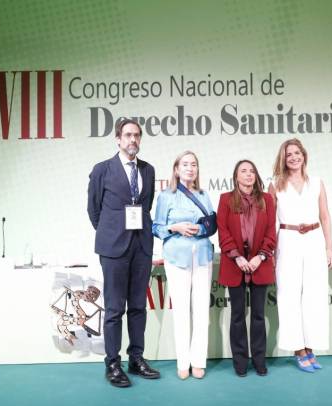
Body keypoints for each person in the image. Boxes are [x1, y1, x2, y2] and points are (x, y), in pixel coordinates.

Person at [87, 119, 160, 388]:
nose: (133, 140)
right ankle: (113, 363)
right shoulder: (102, 170)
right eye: (128, 135)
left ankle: (136, 358)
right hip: (114, 248)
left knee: (138, 306)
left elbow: (145, 205)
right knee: (115, 308)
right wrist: (111, 232)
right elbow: (93, 209)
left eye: (137, 135)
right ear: (118, 139)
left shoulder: (148, 170)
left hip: (141, 246)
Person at [269, 139, 332, 372]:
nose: (294, 157)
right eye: (289, 154)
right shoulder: (275, 185)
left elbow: (325, 216)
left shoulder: (316, 182)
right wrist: (271, 252)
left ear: (304, 155)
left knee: (314, 296)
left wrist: (329, 248)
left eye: (297, 153)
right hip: (287, 241)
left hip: (314, 240)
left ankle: (310, 348)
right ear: (283, 159)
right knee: (289, 296)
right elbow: (269, 221)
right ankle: (298, 349)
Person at [152, 151, 215, 380]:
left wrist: (201, 229)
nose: (190, 168)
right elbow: (156, 227)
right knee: (181, 311)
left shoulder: (204, 195)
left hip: (202, 256)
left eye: (194, 164)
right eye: (185, 164)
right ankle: (183, 362)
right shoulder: (166, 196)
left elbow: (211, 224)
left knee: (201, 311)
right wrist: (175, 228)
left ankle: (198, 361)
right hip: (177, 257)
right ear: (176, 169)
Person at [217, 160, 277, 377]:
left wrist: (261, 256)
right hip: (235, 265)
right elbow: (223, 231)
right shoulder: (225, 199)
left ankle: (259, 360)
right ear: (236, 176)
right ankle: (240, 362)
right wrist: (237, 257)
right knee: (237, 316)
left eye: (252, 171)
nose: (248, 174)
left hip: (260, 264)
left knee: (259, 315)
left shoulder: (267, 199)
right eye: (243, 171)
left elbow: (271, 232)